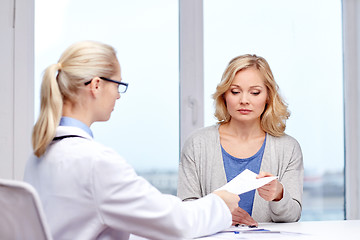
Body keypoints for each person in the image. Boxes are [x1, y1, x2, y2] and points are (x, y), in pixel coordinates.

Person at [24, 41, 240, 240]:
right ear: (96, 85)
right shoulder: (95, 162)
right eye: (118, 85)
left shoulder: (39, 156)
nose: (118, 95)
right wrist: (220, 203)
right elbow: (176, 223)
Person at [177, 54, 303, 226]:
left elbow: (292, 216)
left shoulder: (288, 148)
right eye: (235, 91)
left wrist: (279, 194)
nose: (244, 100)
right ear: (224, 96)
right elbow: (185, 210)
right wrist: (217, 214)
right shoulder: (197, 144)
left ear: (268, 96)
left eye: (255, 92)